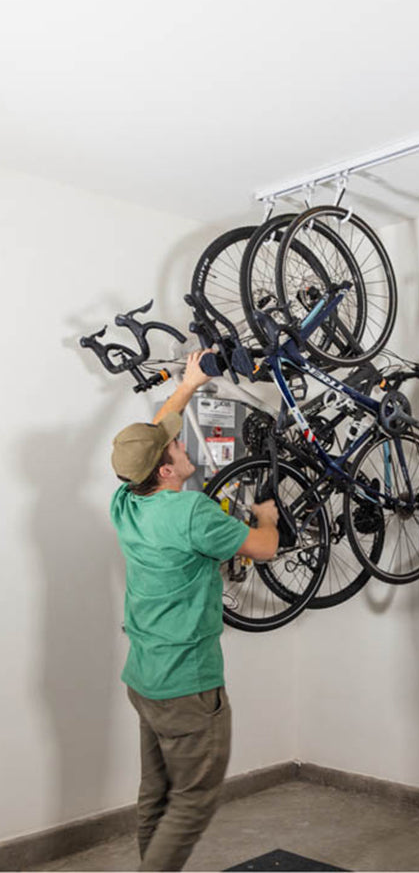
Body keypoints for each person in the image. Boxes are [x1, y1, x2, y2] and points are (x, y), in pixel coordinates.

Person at [109, 350, 279, 872]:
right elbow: (265, 549)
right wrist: (266, 516)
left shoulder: (128, 503)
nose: (184, 444)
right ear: (165, 468)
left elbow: (155, 433)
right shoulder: (191, 513)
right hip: (188, 684)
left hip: (146, 678)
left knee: (155, 796)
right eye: (178, 445)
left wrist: (189, 383)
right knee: (193, 800)